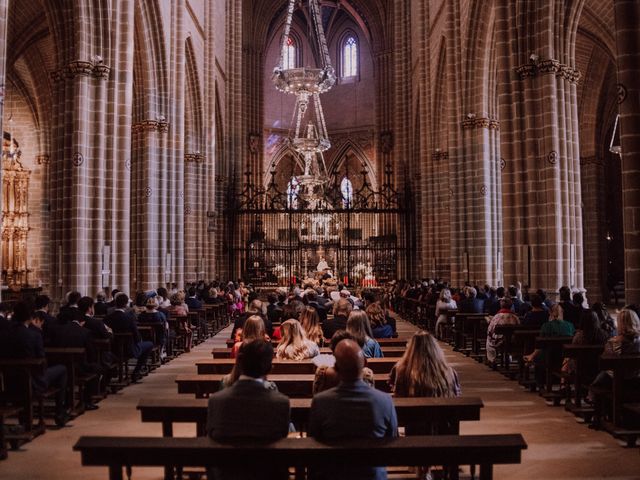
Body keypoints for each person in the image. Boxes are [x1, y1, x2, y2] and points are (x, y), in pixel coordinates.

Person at [309, 339, 398, 480]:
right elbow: (392, 439)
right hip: (371, 474)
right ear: (364, 365)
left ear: (336, 368)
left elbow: (313, 440)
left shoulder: (321, 402)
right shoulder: (384, 401)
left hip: (333, 475)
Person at [206, 339, 290, 480]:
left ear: (240, 363)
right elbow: (282, 437)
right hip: (267, 474)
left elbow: (211, 437)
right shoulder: (280, 402)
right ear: (269, 367)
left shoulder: (216, 400)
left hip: (228, 474)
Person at [0, 302, 69, 426]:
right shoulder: (34, 335)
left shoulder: (4, 334)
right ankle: (59, 412)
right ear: (31, 317)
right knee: (62, 369)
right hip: (32, 380)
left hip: (8, 381)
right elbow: (41, 359)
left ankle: (25, 419)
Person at [389, 330, 461, 398]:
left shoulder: (401, 370)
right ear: (435, 350)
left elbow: (398, 395)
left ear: (411, 350)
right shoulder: (450, 372)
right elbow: (456, 395)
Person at [104, 293, 154, 382]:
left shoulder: (107, 318)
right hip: (129, 349)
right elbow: (137, 337)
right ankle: (136, 372)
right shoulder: (129, 318)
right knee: (149, 344)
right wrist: (137, 341)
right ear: (126, 304)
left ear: (115, 303)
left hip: (112, 349)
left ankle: (113, 372)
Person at [485, 298, 520, 364]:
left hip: (499, 341)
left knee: (489, 338)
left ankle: (492, 359)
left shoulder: (497, 316)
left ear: (501, 306)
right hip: (512, 340)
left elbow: (490, 330)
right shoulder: (515, 316)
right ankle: (508, 356)